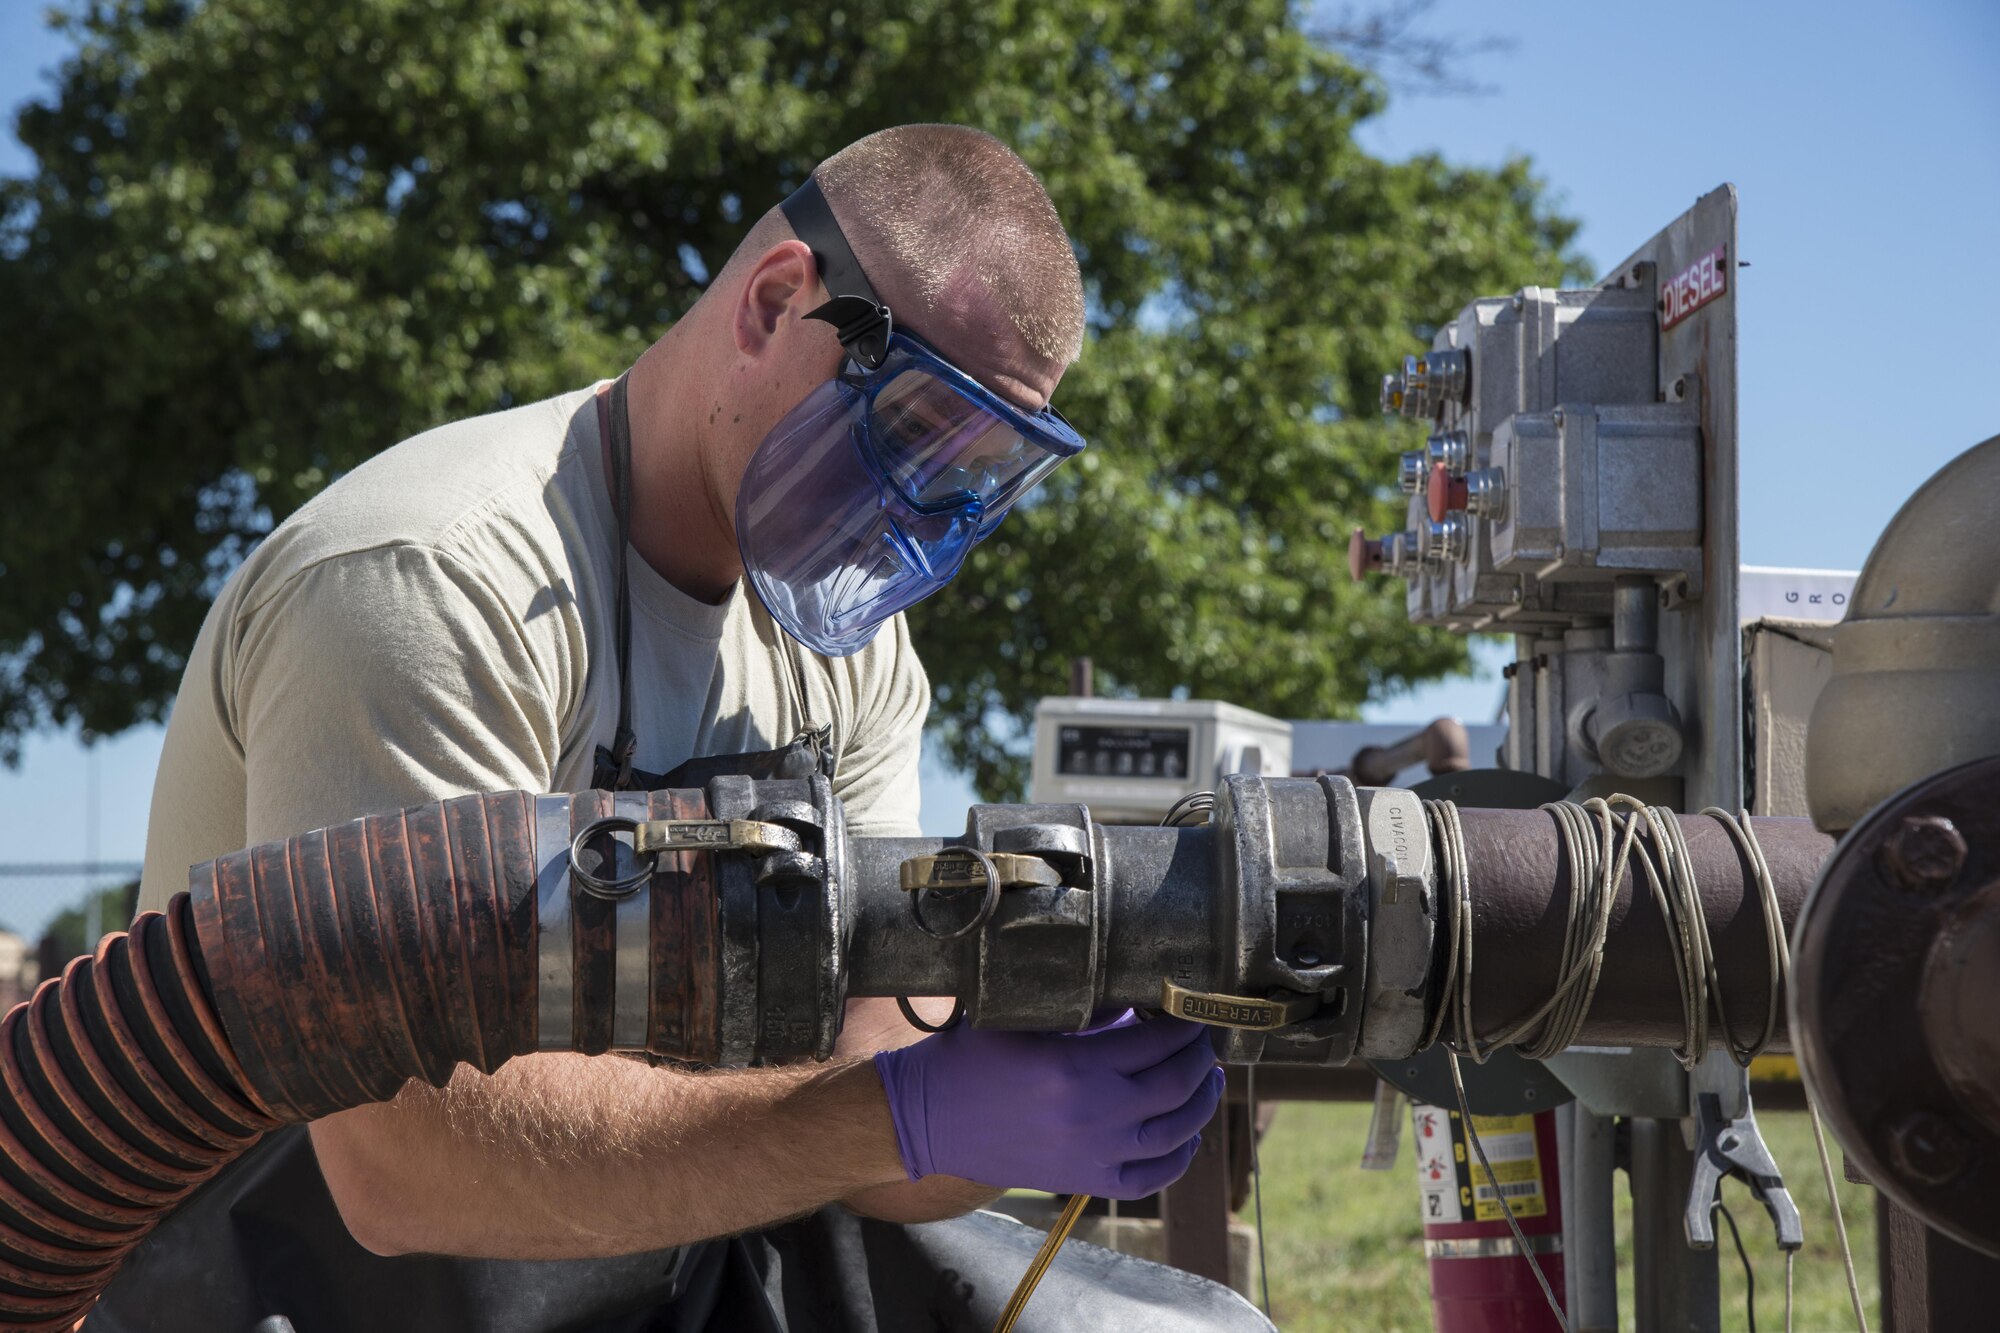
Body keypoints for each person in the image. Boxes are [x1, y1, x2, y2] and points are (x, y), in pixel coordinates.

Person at [116, 124, 1223, 1330]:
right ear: (773, 304)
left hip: (654, 1241)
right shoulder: (430, 582)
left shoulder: (844, 656)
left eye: (977, 470)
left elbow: (859, 1085)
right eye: (912, 429)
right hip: (296, 1273)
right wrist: (897, 1116)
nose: (922, 512)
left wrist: (1030, 1077)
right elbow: (400, 1168)